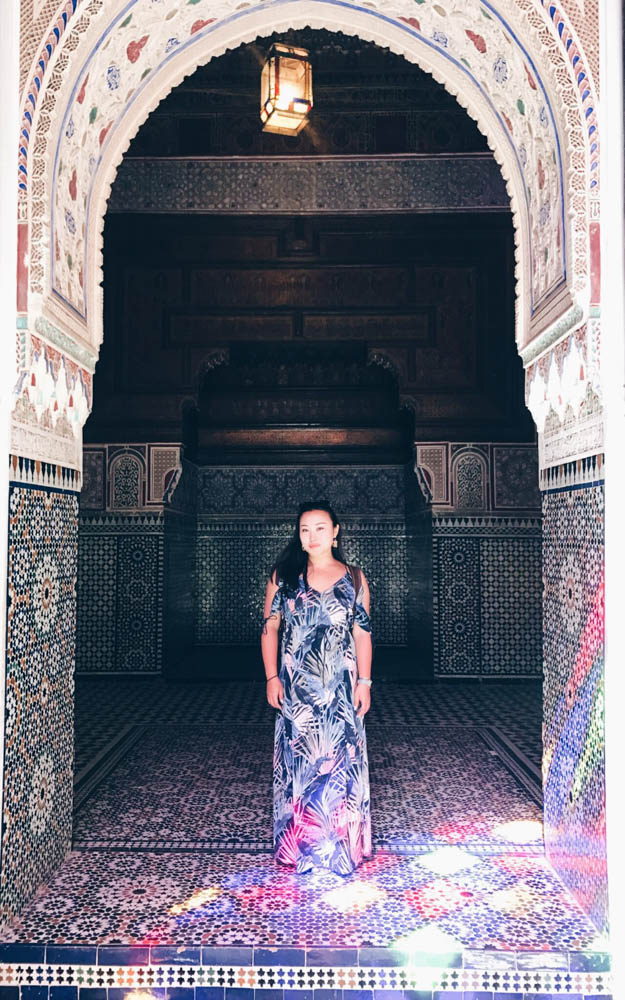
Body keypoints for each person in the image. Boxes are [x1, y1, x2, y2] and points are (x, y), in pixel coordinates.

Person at [261, 500, 373, 875]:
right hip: (297, 690)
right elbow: (270, 628)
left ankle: (341, 849)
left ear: (336, 532)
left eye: (320, 528)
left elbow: (362, 633)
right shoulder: (284, 575)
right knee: (301, 764)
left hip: (340, 690)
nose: (311, 536)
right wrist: (272, 677)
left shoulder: (354, 578)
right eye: (305, 529)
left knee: (339, 765)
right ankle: (300, 849)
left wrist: (365, 682)